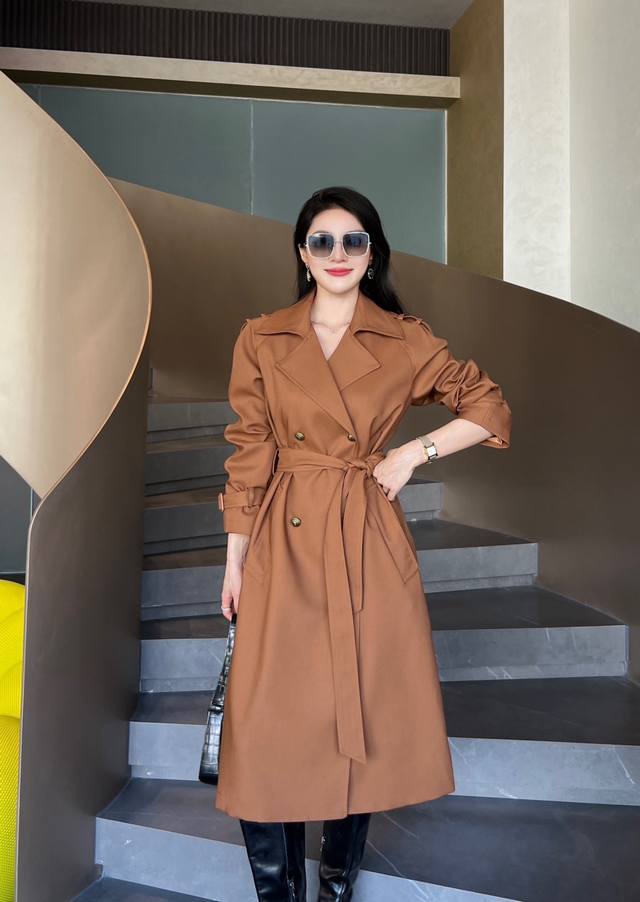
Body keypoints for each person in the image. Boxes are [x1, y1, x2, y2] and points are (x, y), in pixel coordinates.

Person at [216, 186, 512, 901]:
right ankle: (280, 893)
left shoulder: (403, 339)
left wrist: (413, 453)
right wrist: (235, 560)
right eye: (322, 241)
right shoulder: (263, 338)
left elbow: (489, 406)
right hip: (282, 538)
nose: (338, 254)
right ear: (302, 253)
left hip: (364, 536)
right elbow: (250, 452)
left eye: (353, 240)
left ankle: (337, 884)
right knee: (267, 719)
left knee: (362, 707)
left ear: (372, 253)